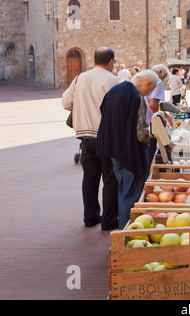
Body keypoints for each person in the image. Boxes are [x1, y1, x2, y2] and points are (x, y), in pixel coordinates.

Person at [61, 47, 120, 230]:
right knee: (110, 179)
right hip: (106, 137)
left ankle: (90, 216)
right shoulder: (114, 81)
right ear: (110, 62)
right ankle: (109, 220)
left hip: (85, 137)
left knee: (90, 178)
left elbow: (65, 103)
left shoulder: (80, 78)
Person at [96, 70, 158, 230]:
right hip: (131, 154)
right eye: (150, 91)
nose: (149, 94)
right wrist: (153, 133)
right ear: (147, 84)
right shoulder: (136, 97)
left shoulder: (115, 90)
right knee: (132, 194)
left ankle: (122, 228)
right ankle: (126, 231)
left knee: (123, 190)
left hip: (114, 151)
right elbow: (141, 132)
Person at [145, 64, 170, 167]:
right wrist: (162, 117)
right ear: (159, 72)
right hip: (151, 123)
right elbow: (153, 104)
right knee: (149, 153)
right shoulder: (157, 81)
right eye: (163, 77)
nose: (162, 79)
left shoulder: (143, 79)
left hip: (141, 123)